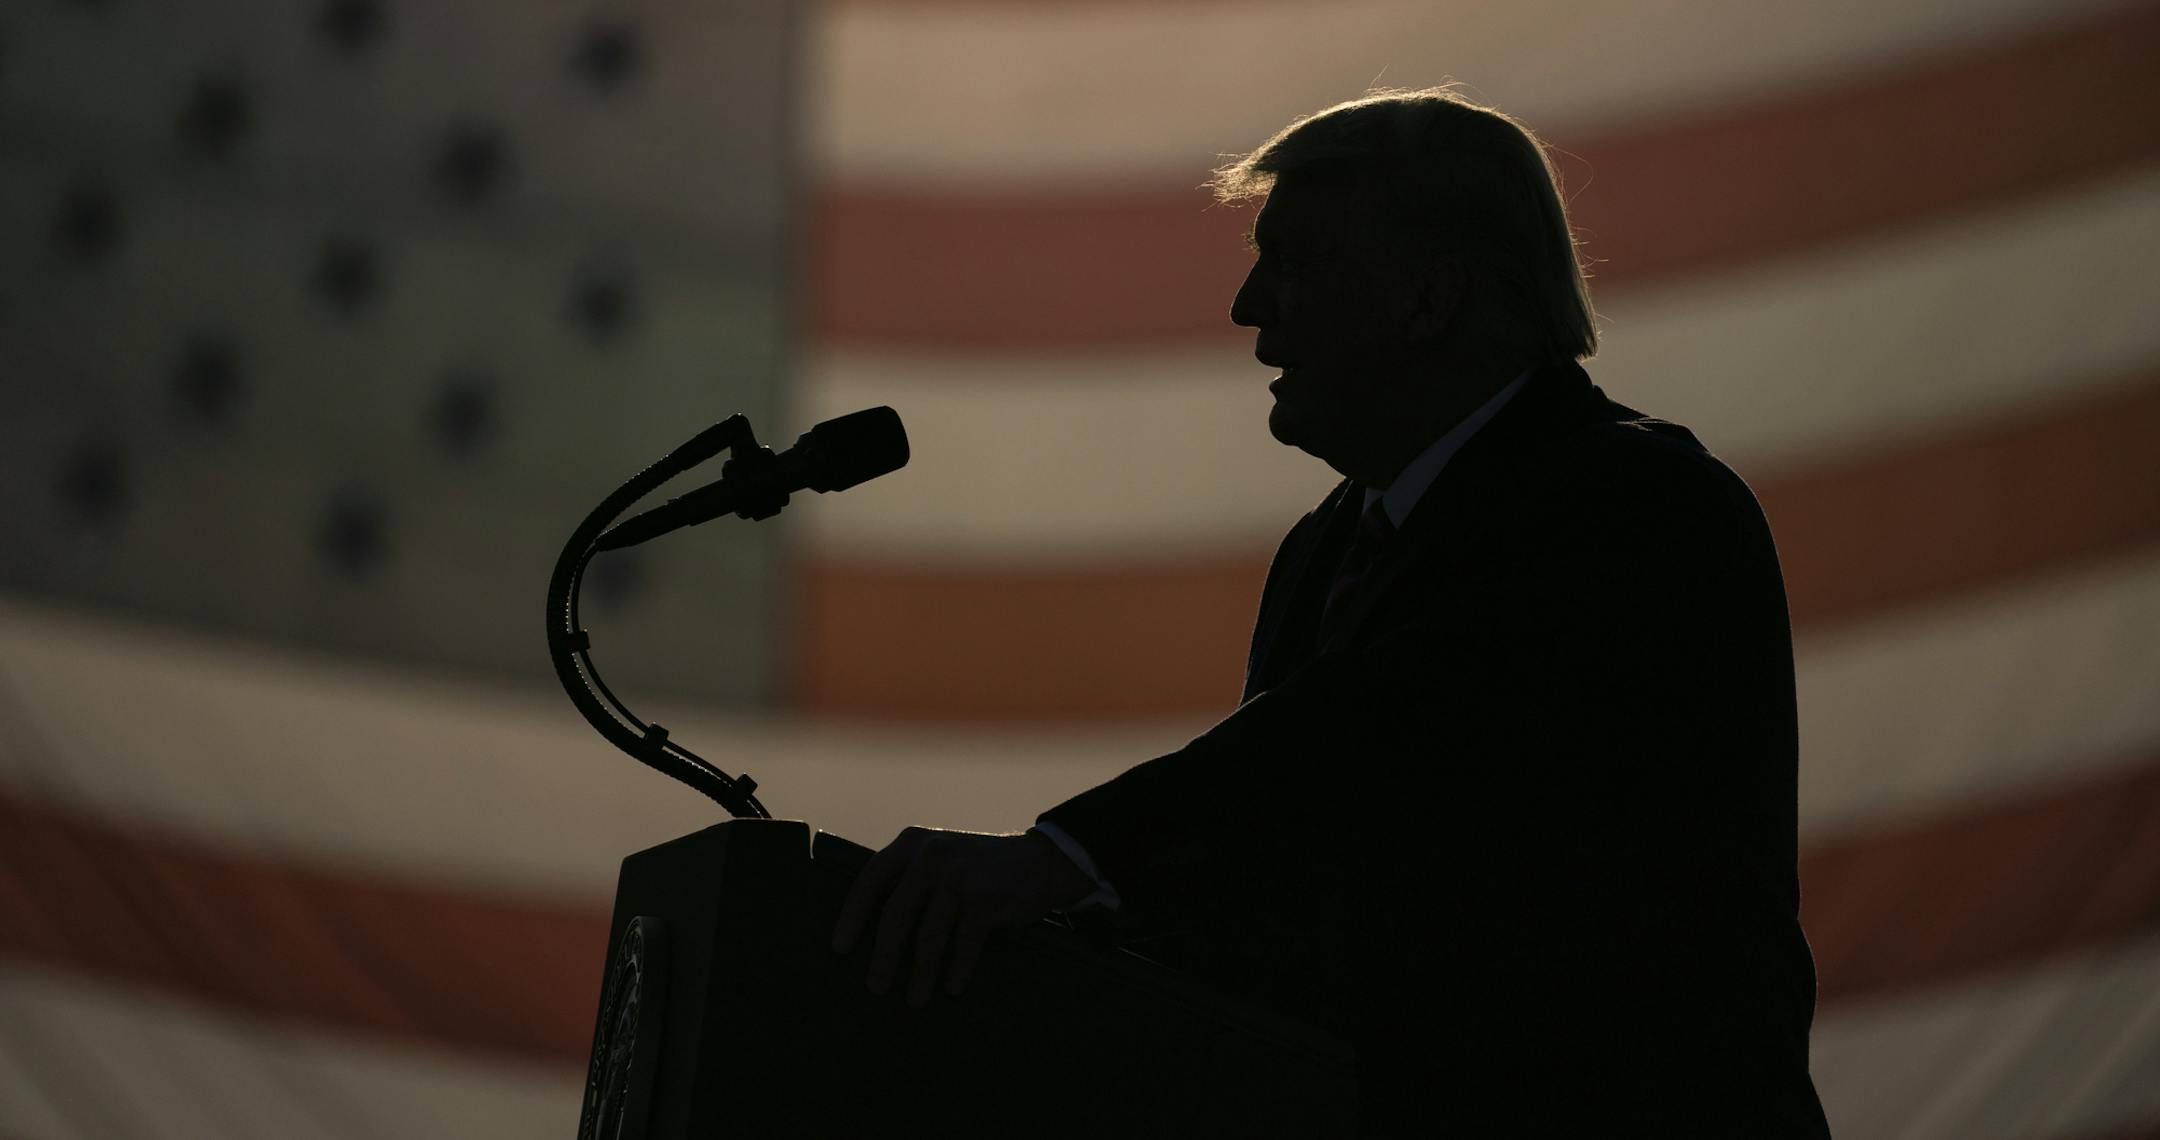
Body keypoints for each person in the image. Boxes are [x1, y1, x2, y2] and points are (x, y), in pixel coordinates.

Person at [832, 86, 1833, 1136]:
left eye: (1295, 262)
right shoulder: (1326, 548)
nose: (1249, 305)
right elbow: (1290, 899)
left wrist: (1060, 860)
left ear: (1428, 299)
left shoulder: (1638, 505)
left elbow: (1381, 735)